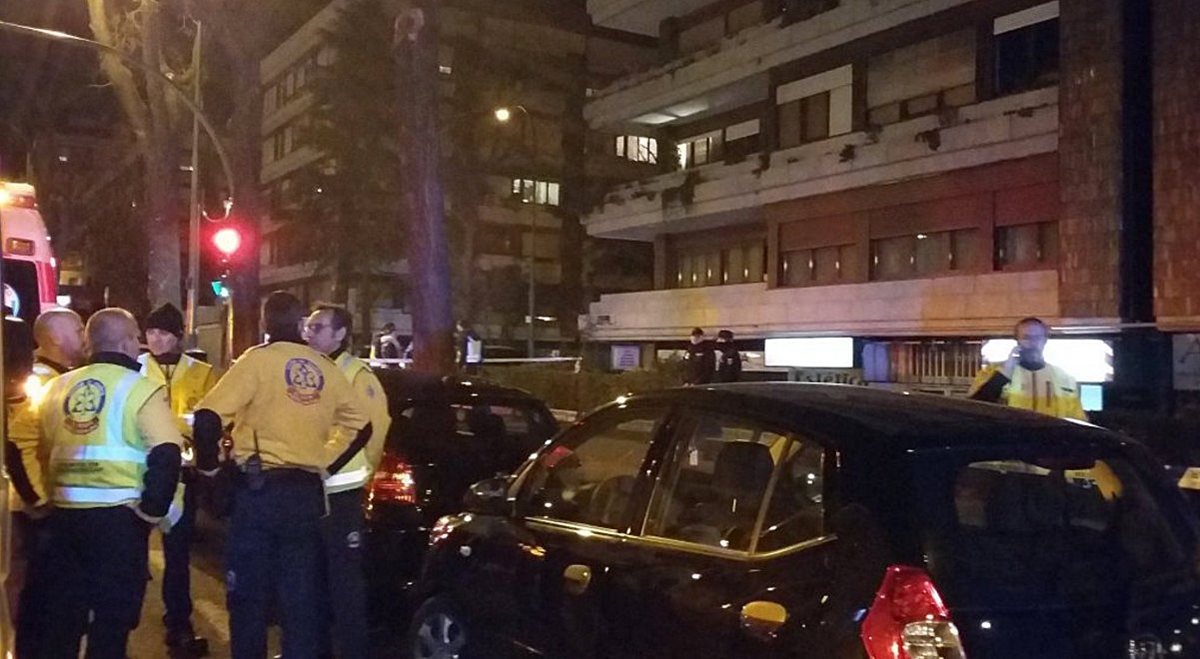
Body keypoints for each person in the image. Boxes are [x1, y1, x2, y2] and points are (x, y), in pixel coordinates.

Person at [192, 291, 372, 659]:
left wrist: (210, 469)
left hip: (258, 495)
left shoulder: (256, 362)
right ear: (302, 325)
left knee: (248, 598)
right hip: (306, 498)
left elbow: (208, 417)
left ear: (264, 323)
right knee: (300, 601)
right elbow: (361, 427)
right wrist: (324, 462)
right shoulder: (325, 369)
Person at [16, 308, 183, 658]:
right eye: (136, 336)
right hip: (118, 523)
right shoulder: (141, 389)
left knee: (62, 622)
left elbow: (18, 443)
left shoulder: (56, 388)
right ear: (125, 341)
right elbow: (167, 453)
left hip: (63, 520)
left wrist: (39, 502)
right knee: (112, 624)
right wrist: (149, 514)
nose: (139, 344)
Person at [303, 303, 392, 659]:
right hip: (311, 491)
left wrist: (358, 473)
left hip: (340, 495)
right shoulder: (309, 369)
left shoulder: (356, 375)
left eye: (318, 327)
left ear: (340, 334)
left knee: (344, 587)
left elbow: (375, 429)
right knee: (310, 583)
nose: (309, 333)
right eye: (308, 327)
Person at [140, 303, 219, 657]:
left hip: (183, 475)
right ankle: (120, 617)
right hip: (140, 471)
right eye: (151, 332)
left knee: (177, 553)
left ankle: (179, 621)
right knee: (131, 552)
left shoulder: (201, 373)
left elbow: (210, 421)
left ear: (178, 336)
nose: (156, 339)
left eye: (164, 333)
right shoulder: (137, 368)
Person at [6, 308, 85, 624]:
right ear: (54, 337)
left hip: (29, 502)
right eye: (78, 330)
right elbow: (16, 444)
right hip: (24, 506)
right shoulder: (39, 381)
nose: (84, 336)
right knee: (25, 590)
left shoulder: (54, 377)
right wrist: (37, 500)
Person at [968, 317, 1086, 420]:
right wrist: (1003, 375)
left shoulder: (1064, 377)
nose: (1033, 343)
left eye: (1038, 338)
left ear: (1045, 340)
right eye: (1026, 338)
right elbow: (973, 409)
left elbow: (1079, 422)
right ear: (1017, 341)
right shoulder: (992, 371)